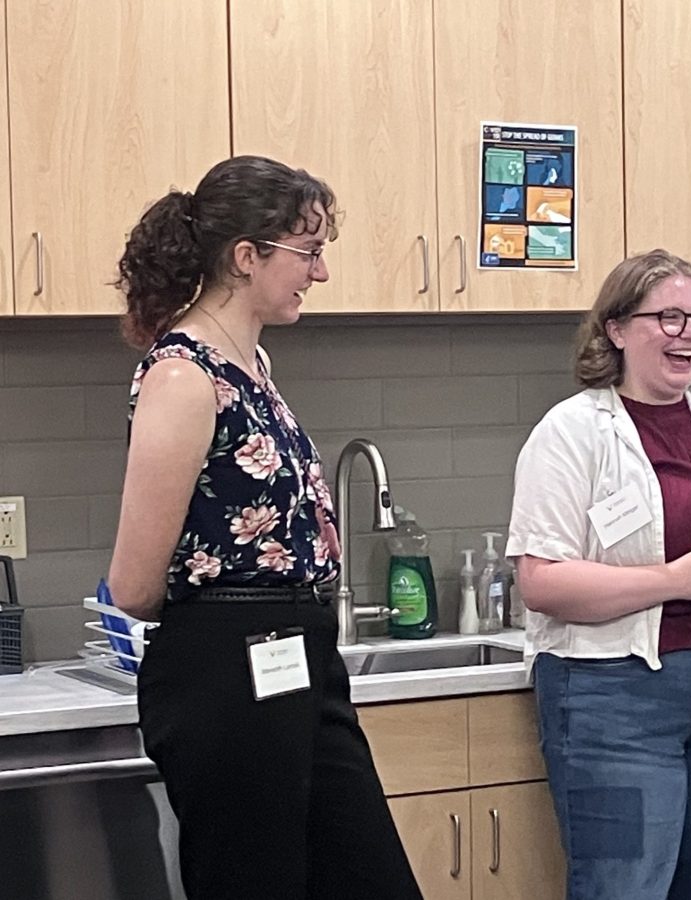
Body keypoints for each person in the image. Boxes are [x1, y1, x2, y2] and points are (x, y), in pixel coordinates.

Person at [107, 156, 423, 900]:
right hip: (225, 666)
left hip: (297, 652)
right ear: (246, 257)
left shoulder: (250, 363)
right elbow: (132, 582)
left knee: (369, 877)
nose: (318, 273)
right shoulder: (183, 376)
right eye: (307, 253)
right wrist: (245, 599)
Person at [506, 248, 691, 900]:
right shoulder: (571, 433)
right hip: (615, 700)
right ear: (616, 329)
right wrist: (680, 579)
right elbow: (542, 581)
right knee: (626, 888)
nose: (690, 334)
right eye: (669, 317)